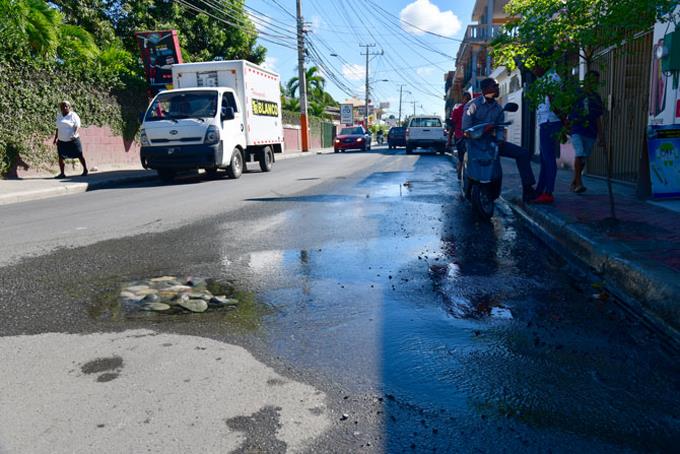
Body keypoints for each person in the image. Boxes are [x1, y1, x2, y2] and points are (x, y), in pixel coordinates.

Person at [462, 78, 536, 201]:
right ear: (485, 89)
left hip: (492, 143)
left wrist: (500, 139)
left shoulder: (498, 108)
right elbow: (465, 127)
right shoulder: (473, 105)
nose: (497, 88)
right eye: (494, 86)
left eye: (497, 86)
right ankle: (468, 185)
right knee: (469, 162)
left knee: (523, 153)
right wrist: (482, 130)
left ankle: (528, 189)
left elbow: (500, 127)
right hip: (475, 144)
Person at [569, 70, 604, 193]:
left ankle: (575, 179)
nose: (594, 83)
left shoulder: (596, 97)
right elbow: (567, 110)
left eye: (596, 82)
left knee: (583, 157)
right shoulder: (576, 93)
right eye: (592, 81)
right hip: (577, 129)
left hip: (591, 132)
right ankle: (579, 183)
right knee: (580, 153)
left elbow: (597, 117)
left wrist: (601, 135)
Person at [532, 68, 563, 204]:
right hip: (547, 122)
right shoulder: (547, 77)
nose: (533, 69)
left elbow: (554, 101)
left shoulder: (551, 78)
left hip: (549, 122)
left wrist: (563, 119)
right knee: (545, 159)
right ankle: (541, 190)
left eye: (535, 65)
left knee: (548, 159)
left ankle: (548, 192)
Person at [53, 101, 87, 178]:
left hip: (73, 139)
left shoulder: (73, 115)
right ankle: (62, 173)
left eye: (66, 106)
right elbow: (58, 128)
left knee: (79, 155)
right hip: (62, 140)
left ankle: (85, 169)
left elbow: (77, 126)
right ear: (60, 108)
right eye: (62, 106)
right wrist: (55, 138)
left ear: (69, 107)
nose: (64, 108)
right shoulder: (59, 116)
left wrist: (74, 134)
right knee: (61, 157)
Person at [447, 92, 472, 179]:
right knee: (461, 159)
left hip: (471, 138)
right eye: (466, 99)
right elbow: (452, 126)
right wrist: (449, 140)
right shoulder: (457, 110)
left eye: (469, 99)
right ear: (463, 99)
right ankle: (460, 175)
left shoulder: (473, 110)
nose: (468, 101)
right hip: (460, 138)